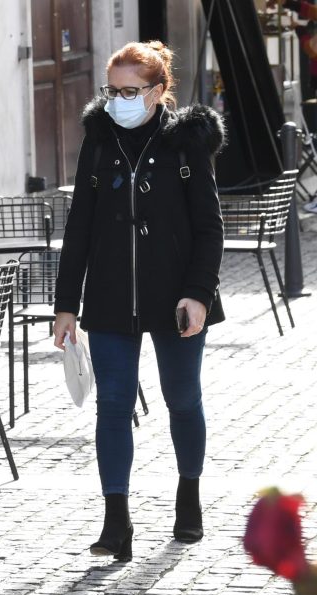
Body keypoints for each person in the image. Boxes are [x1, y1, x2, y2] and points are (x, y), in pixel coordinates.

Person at [53, 41, 226, 561]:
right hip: (109, 296)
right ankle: (116, 521)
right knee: (112, 405)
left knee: (182, 398)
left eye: (130, 91)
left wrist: (198, 294)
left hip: (177, 297)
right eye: (112, 91)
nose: (118, 101)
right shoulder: (99, 141)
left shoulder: (186, 143)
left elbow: (209, 227)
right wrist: (66, 305)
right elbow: (79, 226)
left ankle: (189, 497)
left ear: (157, 91)